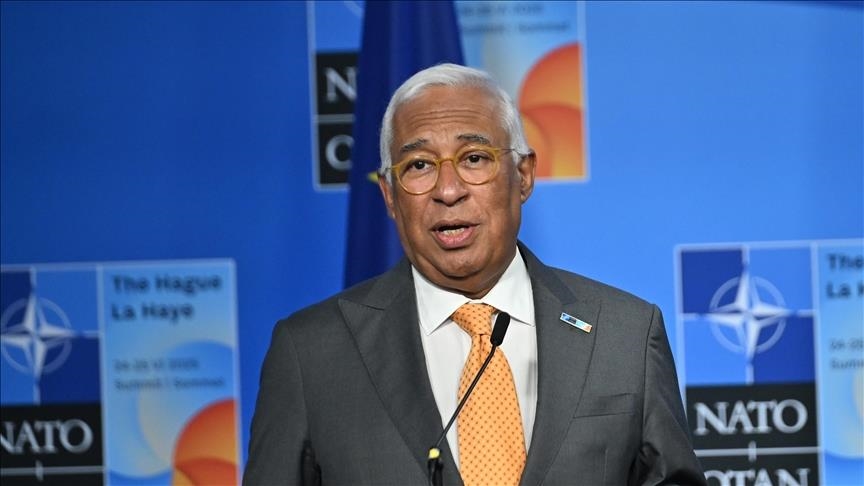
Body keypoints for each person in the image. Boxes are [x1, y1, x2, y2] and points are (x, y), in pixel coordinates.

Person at [244, 63, 706, 485]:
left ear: (523, 176)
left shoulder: (624, 335)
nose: (448, 190)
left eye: (474, 159)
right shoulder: (311, 354)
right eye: (419, 166)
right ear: (389, 195)